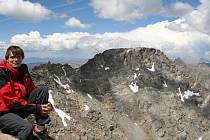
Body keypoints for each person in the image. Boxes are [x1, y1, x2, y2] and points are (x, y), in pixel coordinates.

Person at [0, 45, 53, 140]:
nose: (16, 60)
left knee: (43, 90)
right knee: (27, 128)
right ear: (7, 59)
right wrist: (37, 108)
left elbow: (32, 89)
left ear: (22, 58)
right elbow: (10, 102)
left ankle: (39, 129)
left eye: (19, 57)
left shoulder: (23, 70)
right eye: (12, 57)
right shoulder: (2, 73)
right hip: (4, 112)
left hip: (19, 108)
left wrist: (45, 105)